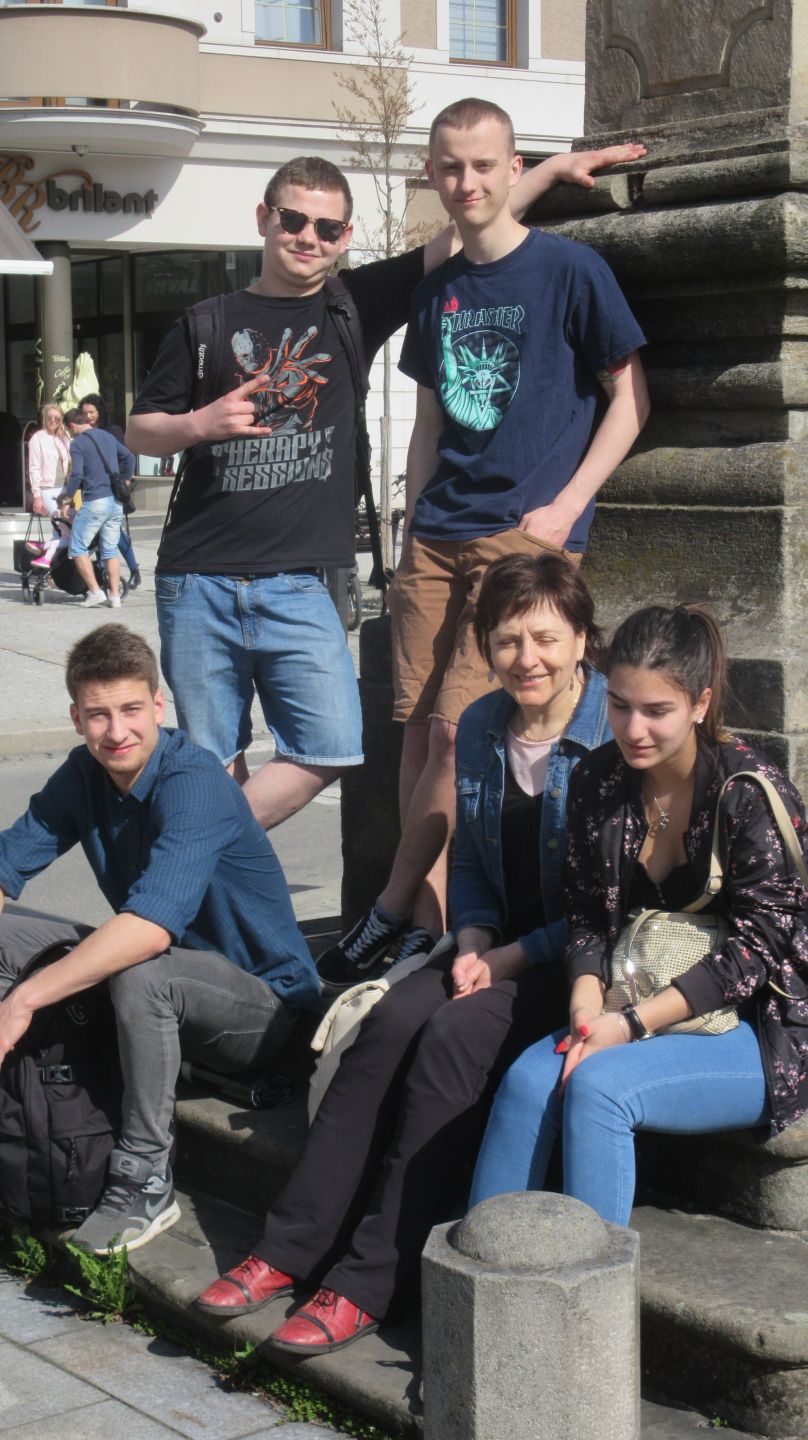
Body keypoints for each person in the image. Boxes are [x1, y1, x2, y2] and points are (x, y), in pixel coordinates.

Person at [124, 142, 644, 833]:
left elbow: (470, 224)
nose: (308, 238)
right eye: (293, 220)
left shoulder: (352, 305)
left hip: (300, 580)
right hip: (198, 577)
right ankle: (209, 886)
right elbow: (140, 431)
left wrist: (545, 171)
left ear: (345, 238)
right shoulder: (207, 322)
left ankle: (183, 850)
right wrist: (199, 423)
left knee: (331, 746)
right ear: (264, 219)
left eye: (327, 228)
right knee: (216, 764)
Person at [194, 552, 611, 1353]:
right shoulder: (484, 724)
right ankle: (287, 1247)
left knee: (453, 1037)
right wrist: (476, 931)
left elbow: (606, 906)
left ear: (582, 640)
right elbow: (474, 857)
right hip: (492, 945)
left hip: (577, 961)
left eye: (546, 639)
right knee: (386, 1024)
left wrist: (510, 956)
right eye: (507, 639)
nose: (527, 657)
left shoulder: (607, 738)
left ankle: (370, 1278)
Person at [318, 98, 650, 989]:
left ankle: (391, 908)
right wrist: (409, 531)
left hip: (520, 537)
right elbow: (429, 422)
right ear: (433, 174)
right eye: (451, 167)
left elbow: (630, 400)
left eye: (484, 165)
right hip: (436, 535)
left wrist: (566, 507)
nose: (467, 182)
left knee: (458, 736)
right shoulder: (438, 289)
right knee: (416, 739)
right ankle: (430, 929)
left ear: (513, 170)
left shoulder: (571, 271)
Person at [470, 604, 808, 1225]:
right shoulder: (599, 779)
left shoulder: (749, 791)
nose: (633, 729)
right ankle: (485, 1268)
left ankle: (589, 1284)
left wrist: (628, 1025)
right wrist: (585, 1001)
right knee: (525, 1083)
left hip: (759, 1021)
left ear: (701, 704)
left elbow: (759, 949)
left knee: (600, 1090)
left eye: (657, 711)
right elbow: (586, 913)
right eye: (620, 705)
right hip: (634, 993)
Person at [0, 625, 319, 1254]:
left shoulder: (192, 782)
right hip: (164, 978)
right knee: (13, 934)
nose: (116, 731)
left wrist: (23, 999)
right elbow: (7, 864)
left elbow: (148, 931)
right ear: (76, 717)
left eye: (130, 710)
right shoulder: (84, 773)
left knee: (142, 971)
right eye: (98, 715)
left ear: (157, 705)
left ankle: (144, 1177)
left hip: (263, 1008)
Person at [62, 408, 133, 608]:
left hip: (95, 501)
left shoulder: (77, 443)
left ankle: (95, 592)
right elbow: (129, 457)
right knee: (110, 549)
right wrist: (126, 480)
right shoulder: (107, 436)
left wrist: (68, 498)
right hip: (115, 503)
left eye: (69, 430)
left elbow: (76, 474)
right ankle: (115, 596)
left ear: (72, 425)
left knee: (77, 547)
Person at [79, 393, 142, 590]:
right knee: (100, 532)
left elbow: (126, 457)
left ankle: (134, 569)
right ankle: (103, 572)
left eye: (91, 412)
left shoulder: (112, 431)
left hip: (111, 489)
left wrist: (125, 481)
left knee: (114, 531)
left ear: (100, 411)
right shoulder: (83, 433)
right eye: (84, 413)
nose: (88, 416)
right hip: (92, 489)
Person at [27, 403, 70, 519]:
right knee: (59, 520)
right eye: (49, 417)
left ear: (61, 420)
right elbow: (34, 468)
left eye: (57, 418)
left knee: (66, 523)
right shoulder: (37, 439)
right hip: (48, 489)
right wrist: (37, 496)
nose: (52, 420)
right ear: (44, 418)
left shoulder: (64, 438)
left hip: (65, 487)